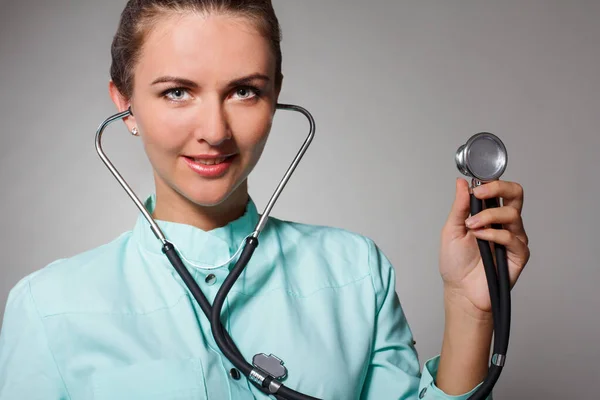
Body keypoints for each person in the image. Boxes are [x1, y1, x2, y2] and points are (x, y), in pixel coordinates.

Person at [0, 1, 530, 399]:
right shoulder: (48, 309)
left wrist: (468, 308)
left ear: (276, 94)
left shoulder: (356, 272)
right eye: (177, 92)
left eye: (244, 91)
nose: (214, 130)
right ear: (126, 103)